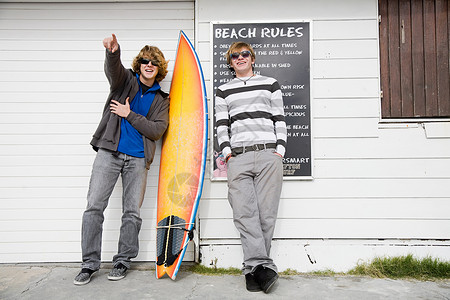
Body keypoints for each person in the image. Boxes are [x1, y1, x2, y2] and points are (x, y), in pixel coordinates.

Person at [74, 34, 170, 285]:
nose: (149, 65)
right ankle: (89, 264)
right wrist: (113, 52)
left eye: (154, 63)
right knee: (94, 207)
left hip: (138, 159)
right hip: (109, 152)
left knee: (132, 212)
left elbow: (157, 130)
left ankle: (122, 260)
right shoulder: (125, 81)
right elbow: (113, 69)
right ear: (139, 64)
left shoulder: (162, 99)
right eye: (145, 61)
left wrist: (129, 115)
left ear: (159, 69)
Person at [214, 42, 287, 293]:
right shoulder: (223, 90)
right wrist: (227, 154)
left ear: (252, 58)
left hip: (269, 154)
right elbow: (221, 125)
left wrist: (280, 151)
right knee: (244, 214)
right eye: (235, 55)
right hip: (239, 157)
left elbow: (279, 118)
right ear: (230, 62)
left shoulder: (271, 84)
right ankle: (263, 268)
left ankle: (251, 270)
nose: (240, 58)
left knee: (266, 214)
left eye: (245, 54)